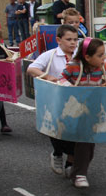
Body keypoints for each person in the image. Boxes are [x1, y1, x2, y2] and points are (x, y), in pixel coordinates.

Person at [60, 38, 106, 188]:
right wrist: (69, 88)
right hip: (74, 110)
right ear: (87, 57)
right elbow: (61, 78)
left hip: (92, 110)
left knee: (87, 142)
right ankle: (78, 172)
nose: (103, 58)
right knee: (80, 141)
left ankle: (78, 171)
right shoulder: (73, 67)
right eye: (100, 55)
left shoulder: (103, 67)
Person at [27, 24, 79, 177]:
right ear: (58, 40)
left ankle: (71, 162)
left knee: (76, 132)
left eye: (75, 39)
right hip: (55, 100)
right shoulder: (50, 55)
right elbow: (32, 69)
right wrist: (48, 76)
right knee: (57, 131)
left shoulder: (80, 55)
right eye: (68, 39)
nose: (73, 43)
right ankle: (57, 153)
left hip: (76, 100)